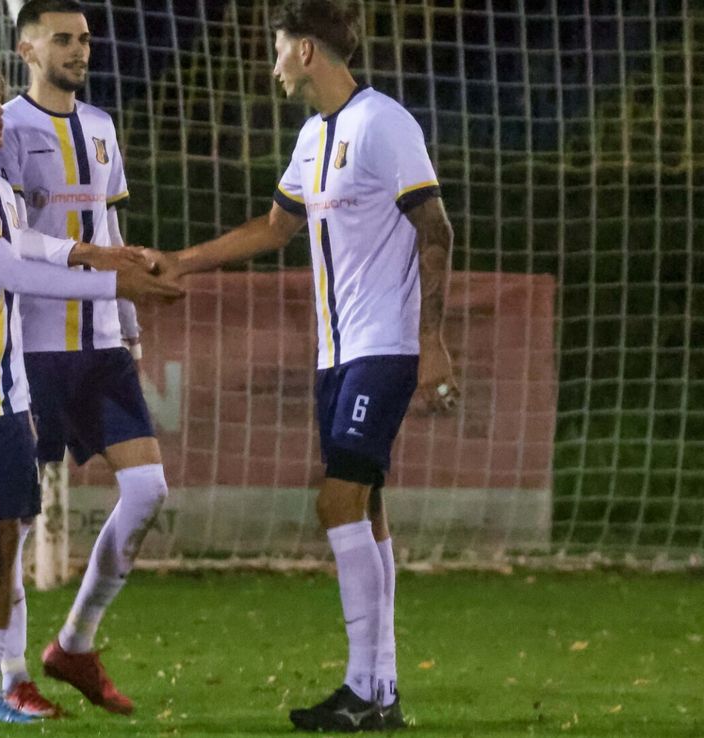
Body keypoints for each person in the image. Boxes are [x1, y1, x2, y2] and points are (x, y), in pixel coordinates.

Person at [160, 1, 459, 731]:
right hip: (336, 352)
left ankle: (364, 689)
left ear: (307, 52)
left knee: (336, 502)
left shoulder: (384, 123)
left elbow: (437, 228)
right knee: (366, 508)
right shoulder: (312, 136)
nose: (272, 64)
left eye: (278, 49)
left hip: (383, 346)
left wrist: (434, 340)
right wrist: (182, 263)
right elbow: (274, 228)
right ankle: (380, 694)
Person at [0, 48, 182, 725]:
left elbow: (32, 244)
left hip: (2, 396)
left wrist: (100, 252)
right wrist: (114, 282)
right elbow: (10, 272)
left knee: (1, 540)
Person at [0, 0, 169, 718]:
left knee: (149, 490)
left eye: (85, 39)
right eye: (63, 38)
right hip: (30, 349)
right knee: (16, 523)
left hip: (99, 347)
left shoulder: (99, 127)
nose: (78, 49)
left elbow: (108, 225)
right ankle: (8, 677)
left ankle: (76, 644)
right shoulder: (5, 129)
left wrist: (127, 320)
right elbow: (1, 237)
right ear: (27, 50)